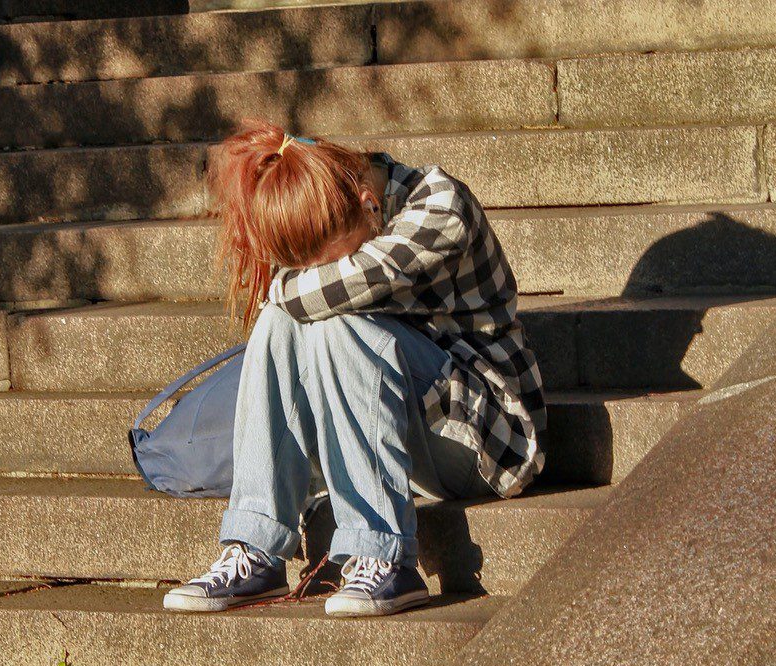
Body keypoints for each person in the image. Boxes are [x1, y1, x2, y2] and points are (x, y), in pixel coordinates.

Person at [162, 118, 546, 617]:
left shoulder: (439, 206)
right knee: (287, 323)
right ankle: (256, 545)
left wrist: (281, 290)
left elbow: (331, 289)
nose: (319, 272)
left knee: (328, 319)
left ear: (369, 203)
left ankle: (383, 556)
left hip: (487, 438)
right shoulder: (347, 213)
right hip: (405, 436)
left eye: (333, 259)